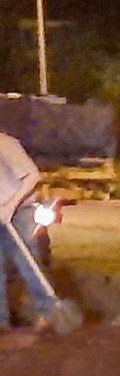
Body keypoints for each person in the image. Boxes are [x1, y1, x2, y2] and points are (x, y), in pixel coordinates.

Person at [0, 130, 40, 327]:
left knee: (27, 263)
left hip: (20, 212)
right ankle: (2, 320)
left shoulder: (5, 144)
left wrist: (10, 205)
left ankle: (44, 313)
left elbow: (33, 176)